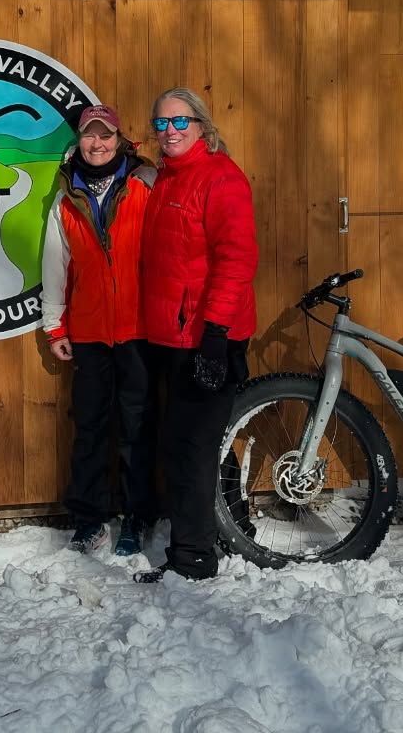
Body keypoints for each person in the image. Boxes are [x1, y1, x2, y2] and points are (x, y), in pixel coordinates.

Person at [134, 88, 258, 583]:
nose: (171, 132)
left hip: (209, 336)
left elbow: (236, 261)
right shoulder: (165, 179)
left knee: (193, 448)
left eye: (180, 122)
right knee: (184, 444)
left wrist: (216, 334)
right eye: (161, 124)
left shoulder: (222, 179)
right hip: (170, 337)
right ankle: (215, 535)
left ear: (202, 126)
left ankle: (193, 558)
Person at [40, 103, 159, 558]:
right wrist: (55, 326)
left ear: (118, 138)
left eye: (105, 135)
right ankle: (89, 519)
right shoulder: (65, 195)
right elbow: (55, 262)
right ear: (79, 142)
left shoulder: (145, 182)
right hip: (89, 331)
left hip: (139, 328)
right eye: (89, 136)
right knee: (89, 428)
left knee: (137, 428)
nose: (97, 144)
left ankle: (136, 516)